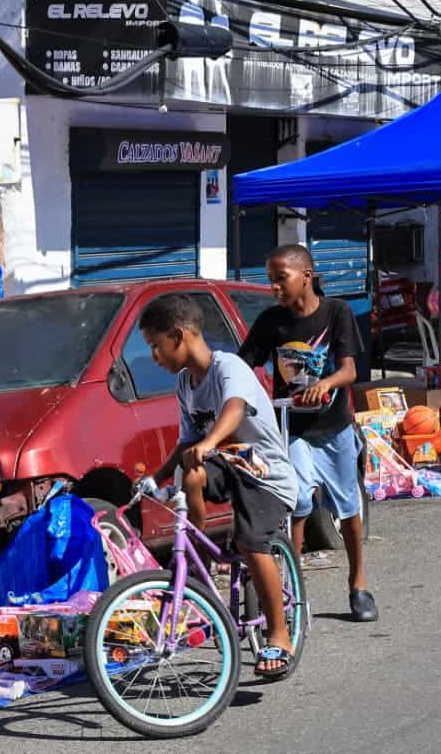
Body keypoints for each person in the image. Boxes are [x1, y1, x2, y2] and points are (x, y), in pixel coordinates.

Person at [139, 294, 300, 679]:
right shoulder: (184, 383)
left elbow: (234, 408)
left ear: (178, 336)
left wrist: (208, 444)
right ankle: (202, 553)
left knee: (250, 542)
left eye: (155, 346)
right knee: (190, 473)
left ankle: (280, 634)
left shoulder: (229, 366)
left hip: (265, 477)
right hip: (227, 468)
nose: (154, 356)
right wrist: (155, 479)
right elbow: (185, 443)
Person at [239, 244, 378, 624]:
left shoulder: (337, 313)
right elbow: (242, 364)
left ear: (306, 275)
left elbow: (350, 370)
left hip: (334, 428)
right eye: (270, 280)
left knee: (347, 508)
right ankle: (293, 590)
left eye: (280, 279)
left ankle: (358, 583)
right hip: (293, 430)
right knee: (298, 502)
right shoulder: (271, 321)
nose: (274, 288)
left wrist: (328, 383)